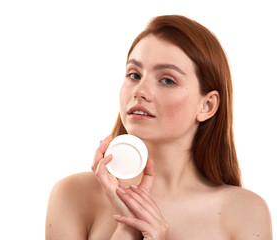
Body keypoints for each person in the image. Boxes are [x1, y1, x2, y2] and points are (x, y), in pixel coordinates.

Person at [45, 15, 273, 239]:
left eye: (167, 80)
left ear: (207, 105)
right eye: (134, 75)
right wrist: (127, 227)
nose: (139, 91)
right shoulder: (73, 195)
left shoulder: (246, 212)